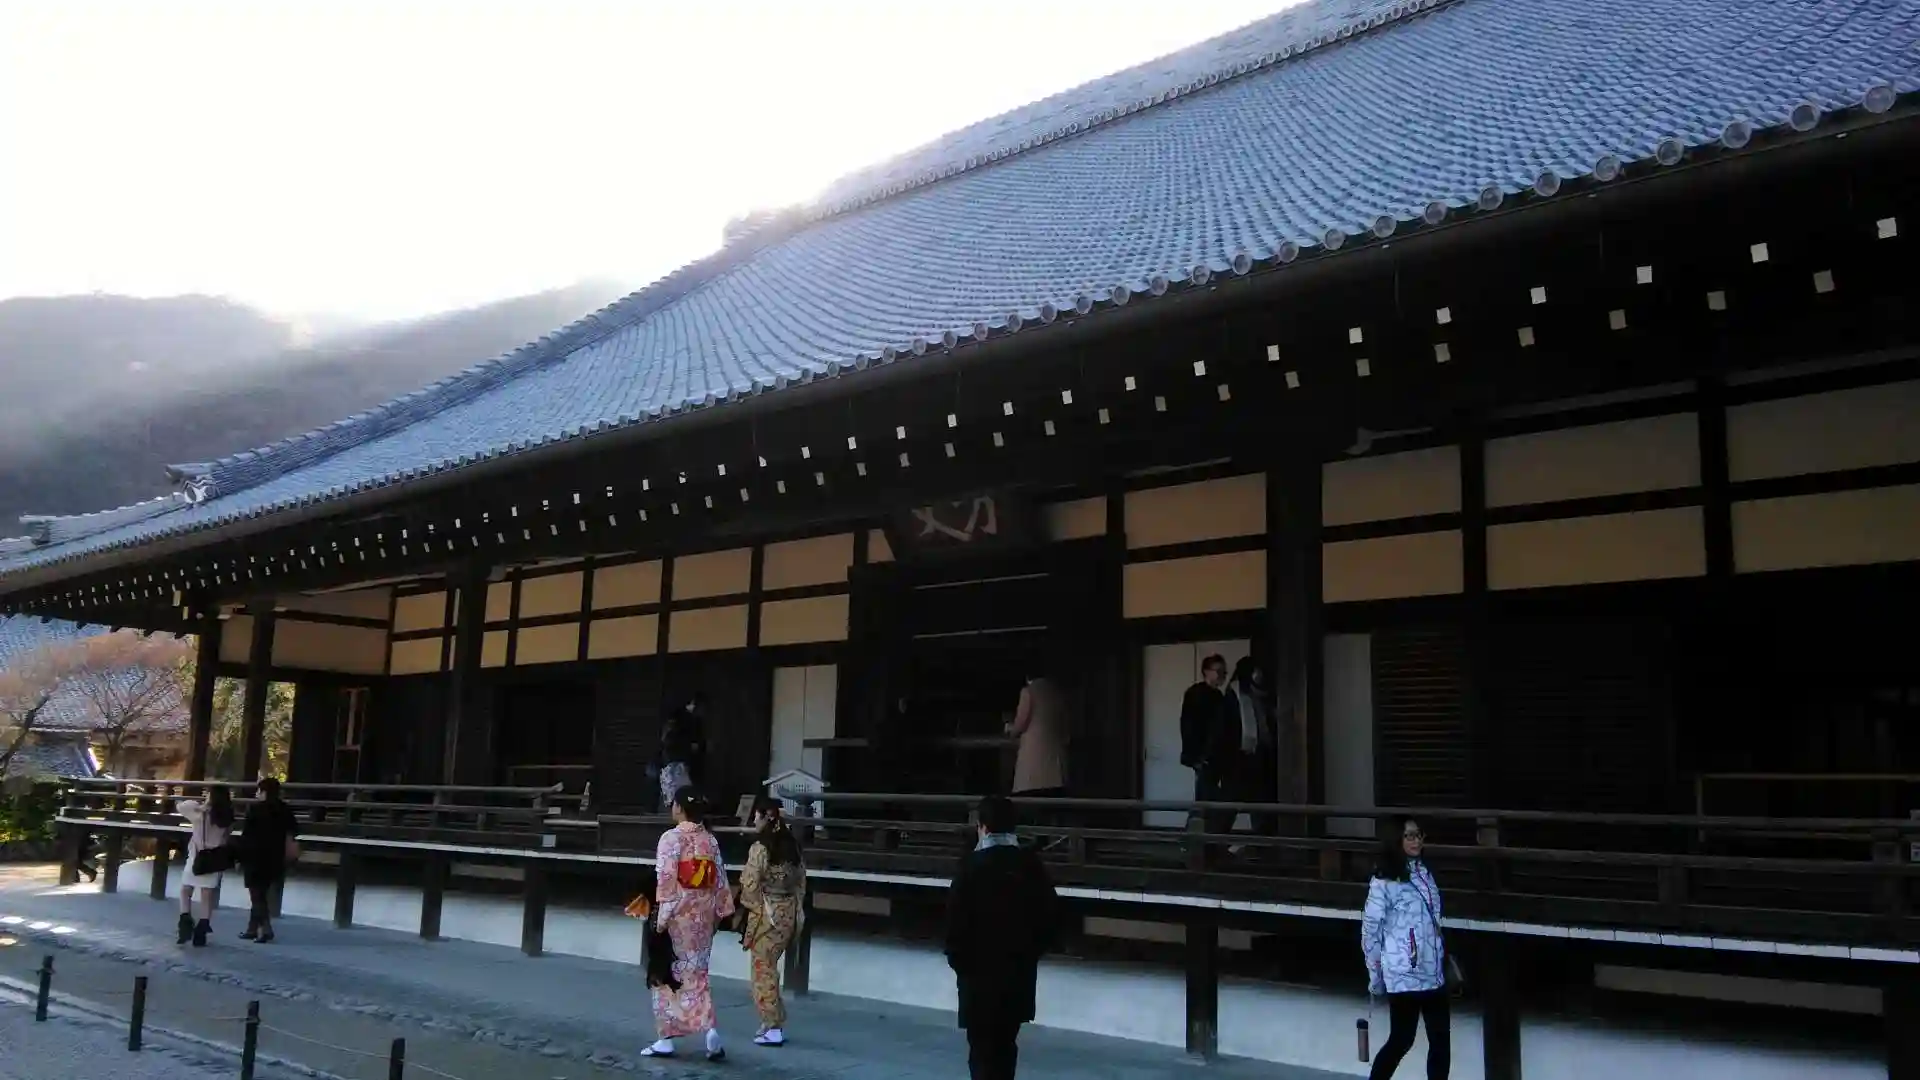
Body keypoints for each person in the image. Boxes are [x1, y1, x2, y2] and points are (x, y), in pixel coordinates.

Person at [945, 794, 1060, 1080]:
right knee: (1006, 1047)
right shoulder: (1030, 866)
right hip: (1017, 975)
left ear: (982, 827)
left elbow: (954, 928)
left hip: (978, 978)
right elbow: (1049, 921)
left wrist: (962, 966)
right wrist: (1029, 955)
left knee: (981, 1052)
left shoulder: (970, 867)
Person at [643, 787, 735, 1062]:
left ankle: (665, 1038)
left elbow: (666, 882)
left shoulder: (670, 839)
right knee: (698, 975)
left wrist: (660, 920)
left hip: (677, 917)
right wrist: (721, 912)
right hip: (703, 918)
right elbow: (720, 880)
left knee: (665, 972)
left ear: (680, 808)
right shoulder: (710, 840)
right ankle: (709, 1030)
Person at [1361, 817, 1450, 1080]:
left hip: (1433, 970)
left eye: (1419, 835)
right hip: (1403, 972)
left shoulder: (1425, 872)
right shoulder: (1383, 880)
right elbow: (1371, 930)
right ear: (1396, 840)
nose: (1416, 841)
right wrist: (1375, 974)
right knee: (1401, 1039)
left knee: (1441, 1041)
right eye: (1409, 836)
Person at [738, 795, 807, 1046]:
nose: (754, 821)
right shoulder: (793, 847)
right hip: (788, 909)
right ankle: (770, 1022)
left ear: (763, 817)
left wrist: (754, 908)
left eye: (756, 816)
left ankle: (773, 1024)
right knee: (770, 965)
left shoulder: (760, 848)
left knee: (763, 968)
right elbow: (801, 881)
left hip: (767, 912)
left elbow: (750, 883)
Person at [1221, 657, 1278, 844]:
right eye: (1255, 671)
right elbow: (1228, 728)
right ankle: (1218, 841)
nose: (1258, 675)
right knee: (1232, 799)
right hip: (1240, 755)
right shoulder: (1234, 694)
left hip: (1261, 752)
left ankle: (1261, 840)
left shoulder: (1262, 694)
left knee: (1261, 798)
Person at [238, 777, 300, 943]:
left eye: (258, 790)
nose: (257, 794)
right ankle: (252, 928)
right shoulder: (285, 809)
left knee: (256, 895)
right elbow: (294, 831)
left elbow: (246, 835)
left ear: (264, 792)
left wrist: (239, 856)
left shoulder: (255, 809)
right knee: (262, 893)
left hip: (255, 856)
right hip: (275, 856)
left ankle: (265, 928)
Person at [1007, 674, 1067, 841]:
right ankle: (1052, 840)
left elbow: (1021, 722)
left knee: (1029, 805)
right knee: (1052, 805)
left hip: (1033, 759)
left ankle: (1034, 840)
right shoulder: (1056, 692)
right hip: (1055, 760)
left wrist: (1010, 730)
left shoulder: (1029, 692)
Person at [175, 785, 234, 947]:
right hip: (216, 858)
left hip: (197, 856)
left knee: (185, 890)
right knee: (207, 894)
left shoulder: (200, 815)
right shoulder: (227, 818)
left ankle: (185, 921)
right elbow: (226, 837)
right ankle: (202, 930)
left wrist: (200, 805)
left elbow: (181, 806)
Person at [1178, 653, 1233, 815]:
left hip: (1215, 755)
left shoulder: (1219, 696)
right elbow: (1188, 727)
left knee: (1209, 799)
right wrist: (1197, 757)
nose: (1222, 675)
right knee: (1204, 800)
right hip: (1203, 756)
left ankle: (1203, 828)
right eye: (1218, 671)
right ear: (1206, 671)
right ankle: (1196, 829)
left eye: (1224, 672)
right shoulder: (1195, 694)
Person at [657, 694, 707, 812]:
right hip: (676, 761)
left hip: (679, 761)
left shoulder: (689, 719)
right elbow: (669, 739)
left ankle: (679, 808)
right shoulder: (681, 719)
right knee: (677, 788)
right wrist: (690, 745)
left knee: (677, 788)